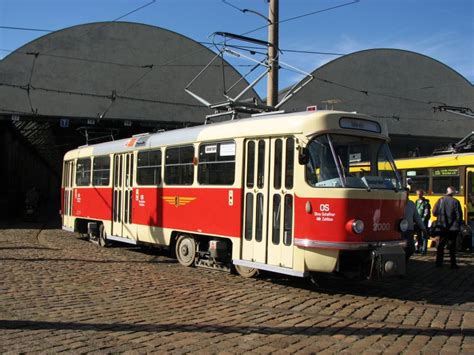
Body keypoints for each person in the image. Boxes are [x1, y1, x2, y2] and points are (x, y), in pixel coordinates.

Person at [432, 186, 462, 269]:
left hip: (442, 227)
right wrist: (458, 225)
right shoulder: (456, 201)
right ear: (453, 193)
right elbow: (459, 216)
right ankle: (453, 264)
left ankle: (439, 263)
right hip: (453, 228)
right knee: (452, 246)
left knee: (441, 245)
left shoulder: (440, 200)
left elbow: (434, 212)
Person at [403, 192, 427, 260]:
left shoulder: (411, 204)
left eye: (407, 194)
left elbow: (417, 217)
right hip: (399, 229)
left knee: (411, 249)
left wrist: (423, 228)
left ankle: (405, 261)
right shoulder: (397, 202)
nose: (406, 196)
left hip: (409, 229)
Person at [415, 189, 431, 254]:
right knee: (418, 236)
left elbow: (426, 213)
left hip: (423, 222)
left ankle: (424, 250)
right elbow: (415, 211)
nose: (418, 195)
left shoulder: (426, 203)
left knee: (424, 236)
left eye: (420, 194)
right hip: (418, 222)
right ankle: (419, 248)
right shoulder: (416, 202)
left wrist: (422, 221)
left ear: (422, 194)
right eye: (417, 194)